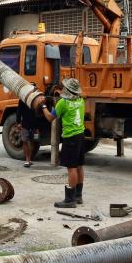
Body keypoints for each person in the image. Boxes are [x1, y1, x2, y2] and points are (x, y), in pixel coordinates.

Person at [41, 78, 86, 208]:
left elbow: (50, 117)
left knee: (71, 168)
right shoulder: (81, 101)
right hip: (80, 135)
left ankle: (70, 200)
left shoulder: (63, 103)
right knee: (79, 166)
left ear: (67, 90)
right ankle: (78, 196)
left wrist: (43, 106)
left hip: (70, 137)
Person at [16, 86, 39, 168]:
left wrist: (38, 127)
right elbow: (19, 111)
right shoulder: (23, 99)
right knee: (25, 141)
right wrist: (18, 122)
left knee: (32, 142)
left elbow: (39, 114)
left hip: (34, 125)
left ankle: (30, 158)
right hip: (25, 124)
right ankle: (27, 159)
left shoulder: (37, 100)